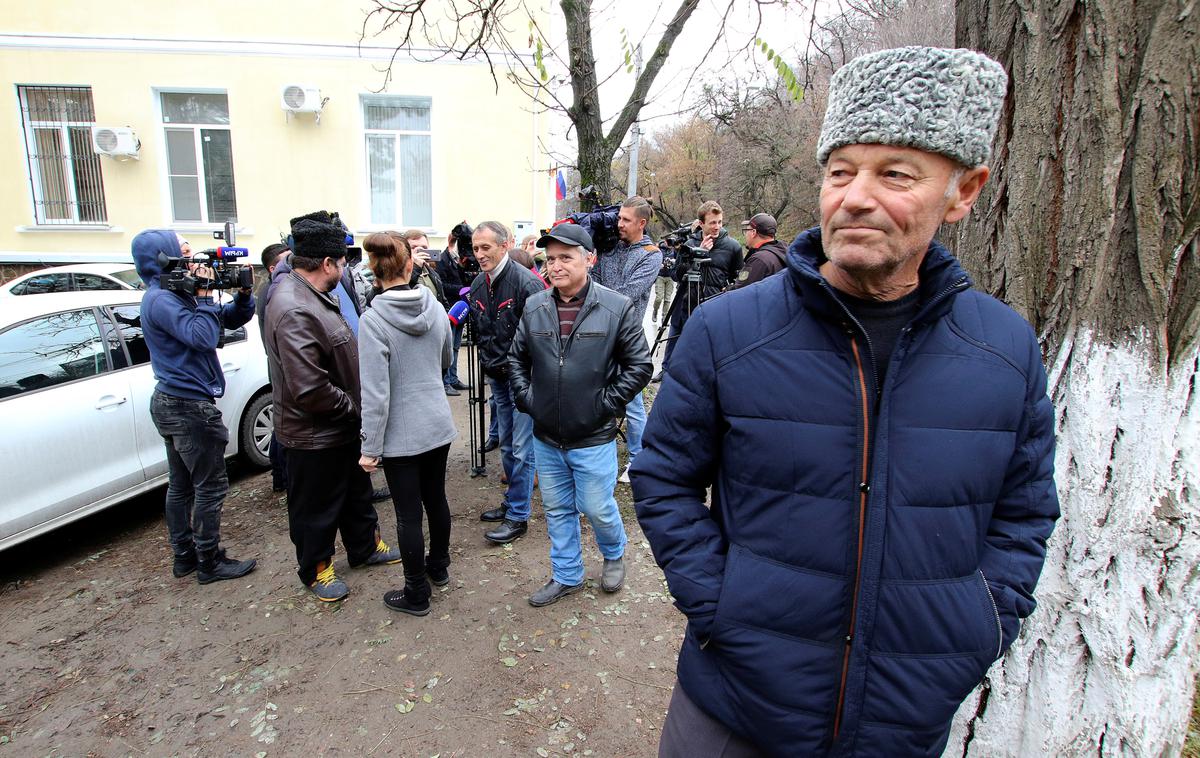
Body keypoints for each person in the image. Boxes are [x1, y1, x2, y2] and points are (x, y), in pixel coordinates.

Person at [633, 47, 1059, 757]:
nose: (854, 197)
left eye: (895, 173)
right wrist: (721, 607)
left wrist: (979, 623)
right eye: (840, 172)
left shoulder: (1004, 349)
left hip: (902, 723)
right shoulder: (729, 330)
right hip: (732, 711)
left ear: (964, 190)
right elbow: (664, 479)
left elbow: (1024, 513)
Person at [510, 223, 653, 606]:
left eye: (565, 258)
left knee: (596, 505)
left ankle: (613, 553)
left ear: (589, 259)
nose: (555, 266)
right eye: (550, 258)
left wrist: (604, 405)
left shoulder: (615, 307)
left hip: (592, 435)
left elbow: (639, 366)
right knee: (557, 509)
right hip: (546, 435)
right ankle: (567, 574)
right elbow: (516, 359)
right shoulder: (535, 306)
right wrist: (529, 399)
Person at [264, 211, 401, 602]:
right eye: (342, 263)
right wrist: (356, 408)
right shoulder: (293, 307)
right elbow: (310, 389)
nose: (346, 269)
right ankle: (316, 568)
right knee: (316, 506)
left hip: (339, 427)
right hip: (314, 433)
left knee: (356, 492)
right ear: (327, 264)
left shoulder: (311, 295)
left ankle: (364, 547)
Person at [132, 229, 257, 584]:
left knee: (182, 485)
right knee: (209, 486)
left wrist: (243, 295)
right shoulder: (161, 300)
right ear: (163, 258)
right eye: (185, 252)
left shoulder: (173, 295)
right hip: (187, 407)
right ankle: (208, 560)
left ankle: (185, 557)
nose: (193, 259)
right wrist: (202, 295)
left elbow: (225, 320)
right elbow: (203, 337)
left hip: (176, 402)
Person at [357, 232, 457, 617]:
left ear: (373, 271)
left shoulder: (373, 320)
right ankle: (439, 567)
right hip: (436, 422)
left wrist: (369, 447)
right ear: (410, 264)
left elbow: (376, 392)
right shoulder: (432, 304)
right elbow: (448, 357)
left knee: (408, 515)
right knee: (437, 499)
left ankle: (416, 593)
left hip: (402, 434)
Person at [468, 220, 546, 544]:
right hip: (497, 378)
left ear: (504, 245)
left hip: (524, 380)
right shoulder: (476, 284)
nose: (480, 254)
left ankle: (518, 516)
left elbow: (542, 337)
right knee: (509, 444)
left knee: (524, 448)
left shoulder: (527, 284)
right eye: (475, 248)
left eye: (485, 247)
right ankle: (512, 502)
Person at [590, 196, 662, 482]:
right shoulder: (610, 247)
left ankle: (638, 460)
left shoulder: (651, 255)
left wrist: (594, 290)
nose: (619, 224)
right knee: (598, 396)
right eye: (618, 218)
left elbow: (626, 294)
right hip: (598, 333)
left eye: (626, 220)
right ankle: (600, 453)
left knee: (631, 403)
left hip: (626, 338)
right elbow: (590, 277)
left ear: (641, 223)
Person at [655, 201, 742, 381]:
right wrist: (698, 252)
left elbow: (737, 277)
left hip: (714, 303)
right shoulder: (688, 244)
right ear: (701, 223)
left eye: (719, 222)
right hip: (685, 300)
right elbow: (676, 274)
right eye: (712, 222)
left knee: (708, 345)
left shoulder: (733, 247)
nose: (717, 226)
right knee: (675, 336)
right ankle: (667, 371)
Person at [257, 242, 291, 493]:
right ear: (273, 267)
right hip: (281, 367)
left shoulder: (274, 290)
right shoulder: (272, 293)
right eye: (287, 259)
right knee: (283, 425)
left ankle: (280, 477)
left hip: (279, 365)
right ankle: (282, 477)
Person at [436, 222, 472, 395]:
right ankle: (446, 381)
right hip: (450, 309)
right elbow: (441, 285)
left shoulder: (460, 261)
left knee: (456, 346)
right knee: (448, 348)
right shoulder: (442, 260)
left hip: (460, 309)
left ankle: (453, 378)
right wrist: (461, 290)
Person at [730, 212, 787, 289]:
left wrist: (727, 289)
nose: (746, 234)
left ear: (753, 232)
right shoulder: (783, 251)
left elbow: (739, 290)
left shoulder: (759, 260)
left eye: (747, 230)